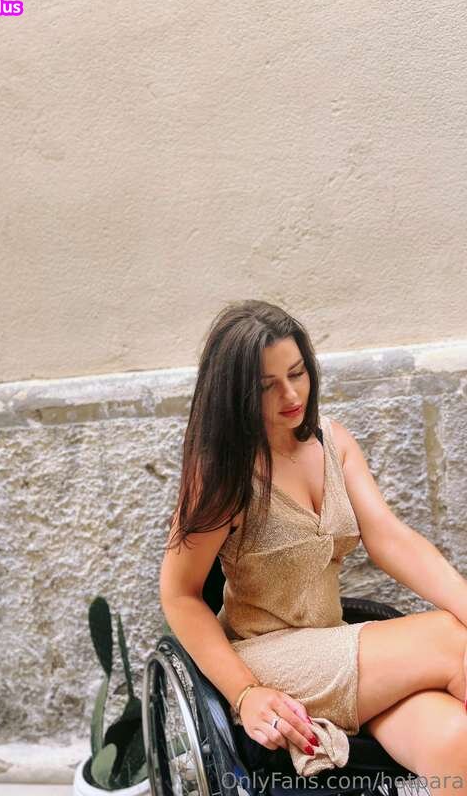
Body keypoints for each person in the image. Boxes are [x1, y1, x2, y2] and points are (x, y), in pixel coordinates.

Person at [160, 300, 467, 791]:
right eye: (267, 385)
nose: (290, 394)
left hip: (335, 646)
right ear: (236, 393)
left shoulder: (333, 442)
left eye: (297, 373)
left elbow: (390, 538)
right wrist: (245, 693)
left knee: (455, 740)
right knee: (453, 641)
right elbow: (179, 595)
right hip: (266, 658)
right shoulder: (224, 473)